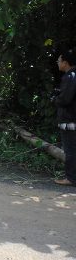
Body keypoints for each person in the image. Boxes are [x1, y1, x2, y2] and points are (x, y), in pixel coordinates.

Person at [54, 48, 76, 186]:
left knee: (70, 150)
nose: (57, 62)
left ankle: (71, 178)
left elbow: (65, 100)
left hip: (69, 121)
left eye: (59, 60)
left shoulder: (70, 76)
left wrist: (55, 99)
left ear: (65, 63)